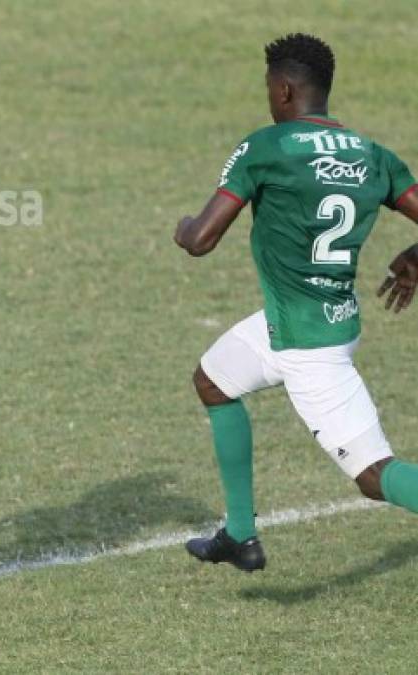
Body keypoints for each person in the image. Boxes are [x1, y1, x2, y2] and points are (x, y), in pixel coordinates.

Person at [174, 34, 418, 572]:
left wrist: (182, 227)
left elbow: (201, 241)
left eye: (268, 89)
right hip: (321, 321)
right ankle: (239, 537)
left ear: (283, 89)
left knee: (375, 478)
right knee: (213, 380)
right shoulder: (372, 154)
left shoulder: (268, 147)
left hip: (308, 347)